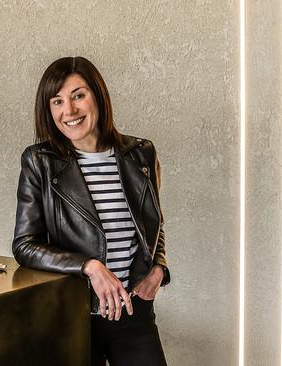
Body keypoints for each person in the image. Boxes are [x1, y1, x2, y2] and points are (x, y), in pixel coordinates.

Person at [12, 56, 169, 366]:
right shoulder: (39, 161)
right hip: (73, 316)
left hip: (134, 314)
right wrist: (89, 266)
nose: (68, 111)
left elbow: (154, 225)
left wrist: (159, 269)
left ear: (98, 95)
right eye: (57, 101)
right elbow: (24, 245)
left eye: (78, 95)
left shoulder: (141, 154)